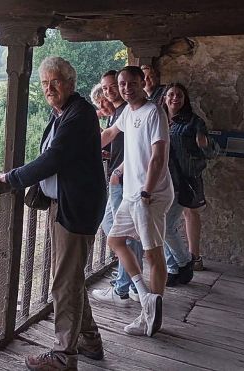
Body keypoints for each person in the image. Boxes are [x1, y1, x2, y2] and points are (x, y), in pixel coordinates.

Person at [0, 56, 106, 370]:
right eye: (44, 83)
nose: (49, 88)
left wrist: (13, 177)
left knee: (64, 282)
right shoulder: (64, 113)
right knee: (70, 278)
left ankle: (63, 357)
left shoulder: (79, 115)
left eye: (55, 81)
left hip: (75, 208)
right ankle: (90, 340)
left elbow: (55, 157)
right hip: (65, 205)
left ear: (71, 83)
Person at [100, 66, 172, 337]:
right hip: (132, 193)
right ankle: (145, 298)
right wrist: (79, 149)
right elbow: (109, 136)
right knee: (115, 241)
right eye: (122, 84)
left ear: (143, 83)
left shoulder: (153, 112)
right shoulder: (127, 113)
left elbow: (158, 155)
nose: (126, 88)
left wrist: (147, 191)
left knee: (153, 253)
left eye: (132, 83)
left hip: (148, 195)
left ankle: (149, 316)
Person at [92, 70, 145, 307]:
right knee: (118, 231)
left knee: (122, 234)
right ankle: (132, 284)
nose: (110, 90)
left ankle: (123, 286)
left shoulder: (131, 111)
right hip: (121, 179)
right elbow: (110, 137)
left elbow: (142, 149)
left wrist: (117, 172)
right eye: (106, 88)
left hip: (124, 181)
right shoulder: (119, 115)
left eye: (114, 85)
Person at [163, 82, 209, 272]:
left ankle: (188, 260)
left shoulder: (194, 121)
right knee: (163, 223)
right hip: (161, 179)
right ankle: (173, 265)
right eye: (171, 94)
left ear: (185, 99)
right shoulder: (157, 118)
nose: (175, 98)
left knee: (168, 224)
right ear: (164, 98)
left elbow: (208, 151)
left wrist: (204, 144)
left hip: (183, 180)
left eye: (179, 95)